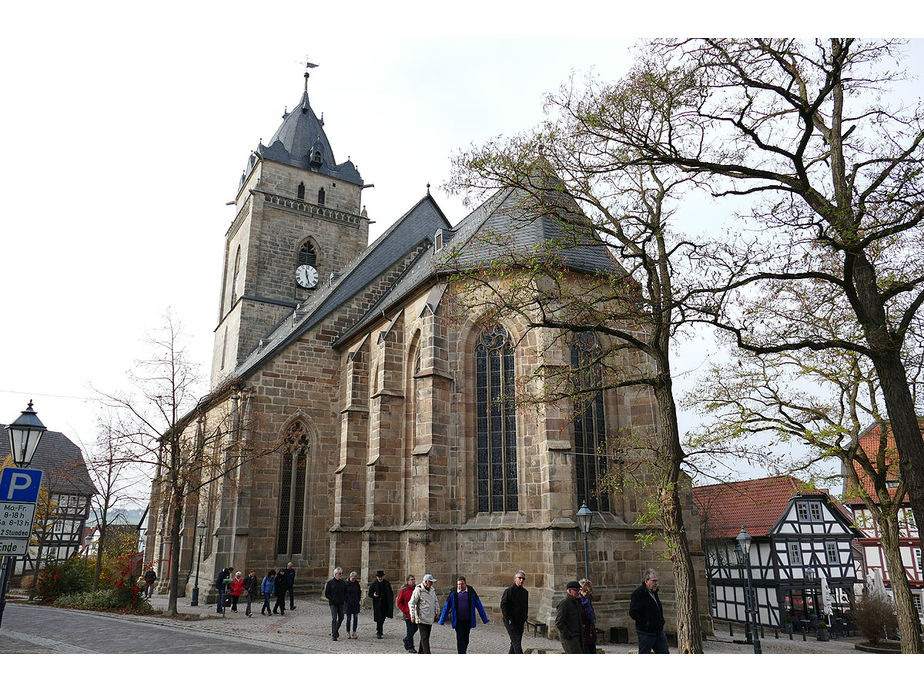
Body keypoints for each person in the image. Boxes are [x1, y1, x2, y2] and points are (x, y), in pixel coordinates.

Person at [438, 576, 489, 654]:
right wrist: (442, 620)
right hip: (458, 621)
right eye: (458, 584)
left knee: (466, 639)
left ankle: (463, 651)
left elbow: (479, 605)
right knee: (460, 639)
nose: (460, 586)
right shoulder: (453, 593)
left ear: (465, 583)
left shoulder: (471, 592)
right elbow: (446, 606)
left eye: (462, 584)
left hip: (468, 620)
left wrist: (484, 619)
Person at [629, 568, 669, 654]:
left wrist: (661, 621)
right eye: (653, 581)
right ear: (646, 581)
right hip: (646, 633)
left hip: (658, 632)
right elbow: (633, 612)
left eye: (657, 581)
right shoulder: (639, 593)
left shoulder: (654, 592)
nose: (656, 583)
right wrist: (646, 623)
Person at [409, 573, 440, 654]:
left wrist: (438, 611)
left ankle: (421, 653)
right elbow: (412, 603)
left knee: (425, 637)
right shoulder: (418, 590)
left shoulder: (432, 590)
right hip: (421, 617)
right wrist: (412, 615)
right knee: (425, 637)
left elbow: (435, 601)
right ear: (426, 582)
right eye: (430, 582)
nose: (432, 583)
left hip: (430, 617)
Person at [500, 570, 528, 654]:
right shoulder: (509, 591)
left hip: (520, 622)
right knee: (517, 643)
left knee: (515, 642)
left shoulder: (525, 592)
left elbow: (525, 606)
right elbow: (503, 605)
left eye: (523, 578)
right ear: (515, 578)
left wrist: (524, 618)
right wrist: (508, 618)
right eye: (519, 578)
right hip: (510, 621)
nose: (521, 580)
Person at [555, 581, 584, 654]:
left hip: (578, 636)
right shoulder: (564, 603)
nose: (578, 592)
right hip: (570, 638)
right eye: (576, 590)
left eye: (579, 590)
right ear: (570, 591)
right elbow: (559, 622)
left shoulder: (577, 602)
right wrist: (568, 635)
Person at [368, 570, 394, 639]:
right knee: (379, 619)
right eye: (379, 577)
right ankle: (379, 632)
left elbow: (390, 593)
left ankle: (379, 630)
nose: (380, 578)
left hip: (385, 604)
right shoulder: (374, 584)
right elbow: (370, 593)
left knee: (383, 618)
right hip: (378, 604)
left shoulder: (386, 583)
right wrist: (373, 595)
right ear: (377, 577)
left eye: (381, 577)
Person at [396, 574, 418, 653]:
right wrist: (405, 610)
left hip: (416, 613)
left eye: (414, 579)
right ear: (408, 581)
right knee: (410, 630)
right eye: (412, 579)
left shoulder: (417, 589)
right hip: (408, 614)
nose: (413, 581)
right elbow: (399, 602)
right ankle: (411, 647)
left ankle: (406, 639)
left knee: (415, 628)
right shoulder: (404, 590)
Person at [324, 567, 347, 641]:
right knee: (334, 618)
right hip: (333, 603)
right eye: (339, 574)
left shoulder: (343, 582)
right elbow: (327, 593)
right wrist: (332, 599)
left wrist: (344, 599)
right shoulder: (330, 583)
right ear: (335, 574)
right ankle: (334, 635)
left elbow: (345, 592)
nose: (340, 575)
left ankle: (335, 630)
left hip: (340, 603)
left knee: (341, 617)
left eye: (341, 573)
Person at [579, 578, 597, 654]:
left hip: (590, 631)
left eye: (588, 591)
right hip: (582, 632)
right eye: (584, 591)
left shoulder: (589, 600)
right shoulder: (578, 601)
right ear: (580, 590)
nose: (586, 593)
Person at [344, 571, 362, 639]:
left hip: (355, 603)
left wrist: (358, 599)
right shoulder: (346, 584)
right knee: (348, 618)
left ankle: (354, 631)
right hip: (348, 604)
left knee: (356, 618)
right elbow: (344, 593)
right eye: (352, 578)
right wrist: (346, 600)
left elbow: (359, 592)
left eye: (354, 578)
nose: (353, 579)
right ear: (350, 577)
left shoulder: (357, 583)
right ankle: (348, 632)